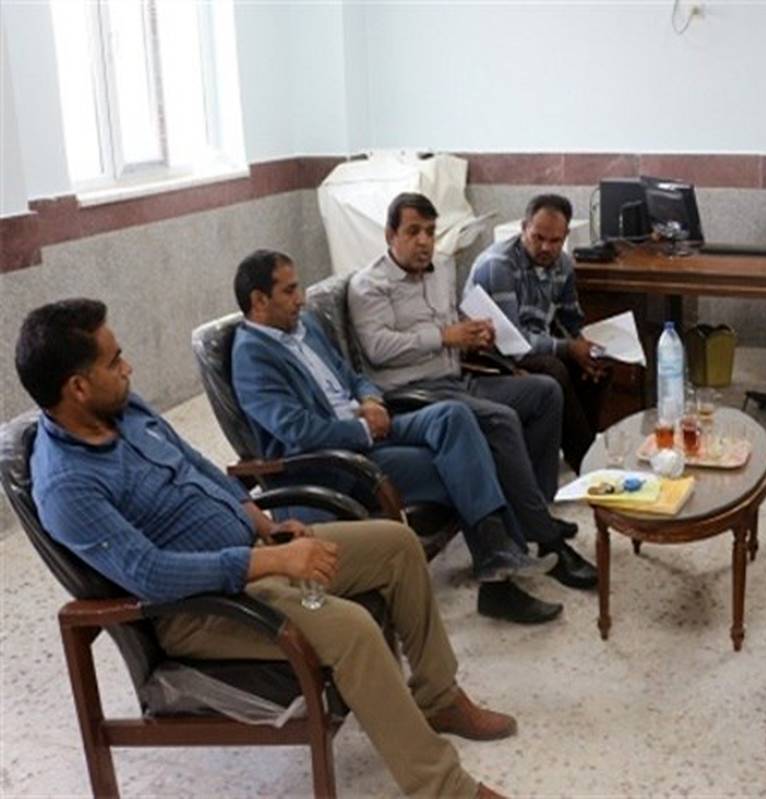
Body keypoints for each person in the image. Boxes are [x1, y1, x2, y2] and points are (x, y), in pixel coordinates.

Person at [17, 299, 513, 798]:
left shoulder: (123, 409)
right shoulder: (67, 485)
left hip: (254, 552)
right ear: (77, 388)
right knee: (353, 629)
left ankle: (438, 698)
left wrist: (262, 523)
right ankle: (446, 790)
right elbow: (150, 574)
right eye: (114, 361)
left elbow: (198, 465)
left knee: (397, 545)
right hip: (204, 609)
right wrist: (269, 561)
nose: (128, 368)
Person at [231, 248, 565, 625]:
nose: (301, 299)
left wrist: (371, 399)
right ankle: (500, 578)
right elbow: (298, 430)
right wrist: (361, 428)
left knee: (455, 416)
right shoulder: (252, 357)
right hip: (336, 459)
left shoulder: (303, 327)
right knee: (462, 464)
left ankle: (499, 556)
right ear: (259, 300)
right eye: (290, 291)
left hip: (371, 424)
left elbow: (351, 375)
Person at [347, 191, 596, 589]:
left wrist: (477, 332)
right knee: (501, 418)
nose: (424, 241)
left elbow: (455, 324)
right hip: (415, 395)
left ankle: (533, 509)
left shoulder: (441, 270)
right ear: (390, 235)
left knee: (546, 391)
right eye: (413, 232)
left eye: (430, 232)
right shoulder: (368, 285)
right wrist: (445, 336)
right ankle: (548, 540)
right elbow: (377, 348)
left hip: (459, 380)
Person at [466, 193, 608, 474]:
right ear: (524, 228)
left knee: (598, 367)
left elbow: (570, 319)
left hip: (535, 342)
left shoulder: (563, 264)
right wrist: (568, 348)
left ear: (565, 237)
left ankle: (585, 453)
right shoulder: (499, 265)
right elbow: (512, 341)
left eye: (555, 241)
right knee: (555, 369)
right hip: (495, 353)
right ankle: (588, 464)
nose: (545, 247)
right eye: (538, 237)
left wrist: (586, 346)